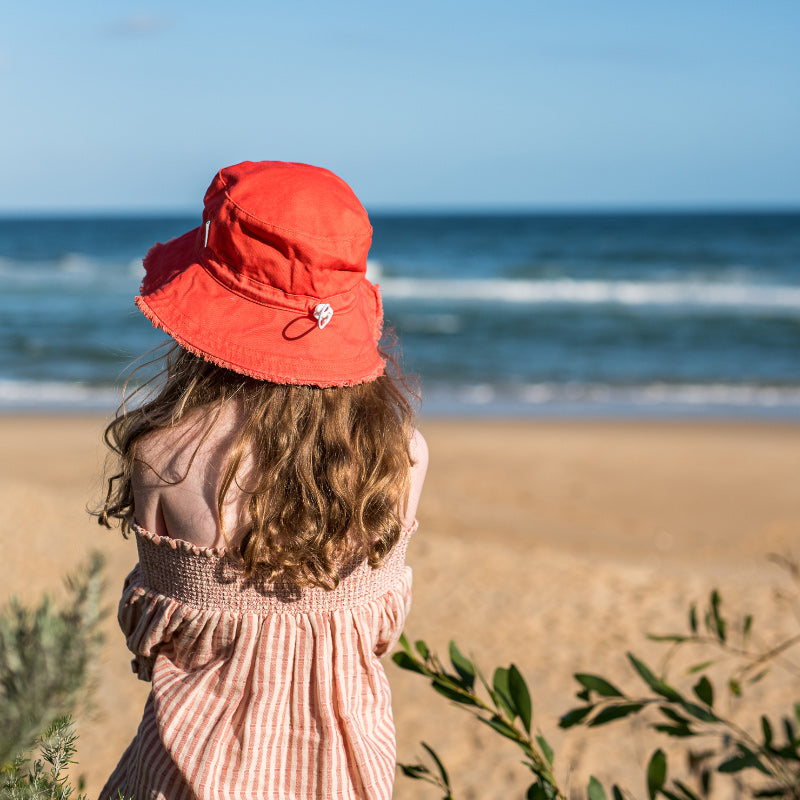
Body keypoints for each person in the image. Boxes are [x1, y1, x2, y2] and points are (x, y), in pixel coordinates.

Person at [96, 161, 428, 800]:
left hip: (187, 774)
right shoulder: (403, 457)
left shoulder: (165, 459)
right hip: (345, 775)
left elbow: (151, 642)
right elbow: (380, 634)